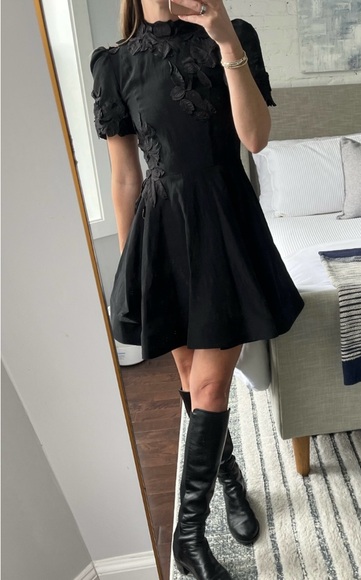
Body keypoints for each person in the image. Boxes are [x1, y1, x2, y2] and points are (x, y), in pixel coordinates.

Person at [90, 0, 304, 577]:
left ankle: (187, 539)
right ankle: (229, 480)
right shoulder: (114, 64)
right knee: (190, 377)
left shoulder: (234, 36)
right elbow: (125, 177)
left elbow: (255, 139)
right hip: (160, 233)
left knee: (210, 383)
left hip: (226, 223)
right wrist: (134, 267)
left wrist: (225, 38)